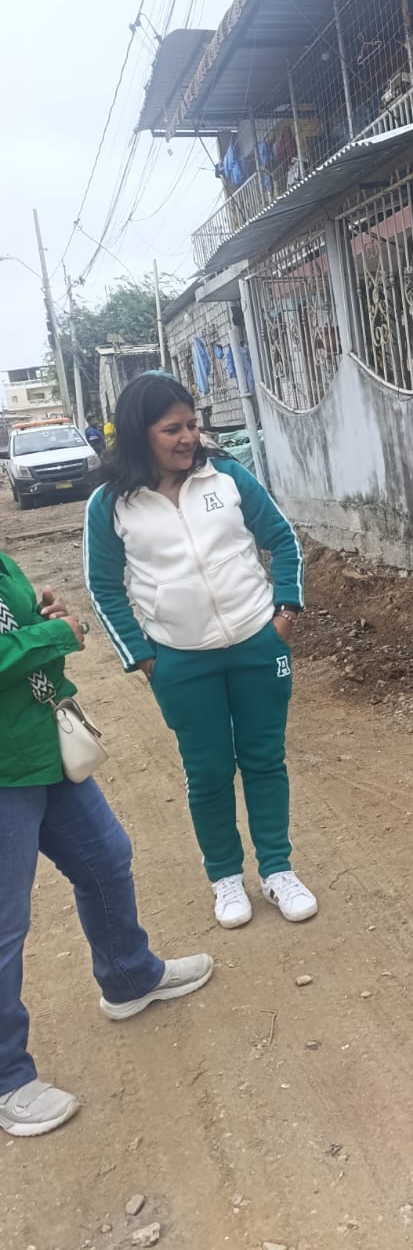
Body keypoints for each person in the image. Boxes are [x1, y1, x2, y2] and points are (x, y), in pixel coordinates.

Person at [84, 373, 316, 931]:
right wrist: (145, 659)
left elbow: (282, 540)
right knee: (208, 771)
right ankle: (226, 878)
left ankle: (277, 870)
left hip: (257, 643)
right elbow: (103, 587)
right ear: (139, 433)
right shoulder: (111, 503)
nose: (189, 437)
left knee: (264, 760)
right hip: (180, 661)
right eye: (173, 429)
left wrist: (284, 615)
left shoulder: (228, 477)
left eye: (192, 424)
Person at [0, 552, 212, 1137]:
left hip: (41, 747)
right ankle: (8, 1078)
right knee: (5, 927)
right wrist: (56, 635)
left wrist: (45, 616)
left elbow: (20, 632)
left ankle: (129, 978)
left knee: (106, 858)